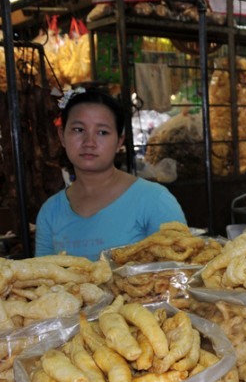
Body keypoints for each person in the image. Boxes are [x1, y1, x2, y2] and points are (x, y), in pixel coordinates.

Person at [35, 87, 186, 260]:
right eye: (78, 130)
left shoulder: (154, 200)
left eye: (102, 132)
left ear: (119, 142)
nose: (89, 142)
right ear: (62, 136)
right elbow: (42, 274)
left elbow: (181, 267)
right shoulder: (50, 212)